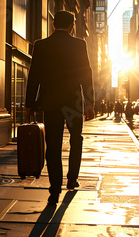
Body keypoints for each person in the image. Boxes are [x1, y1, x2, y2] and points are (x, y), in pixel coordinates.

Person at [25, 10, 94, 205]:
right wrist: (89, 102)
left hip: (51, 103)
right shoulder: (79, 45)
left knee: (53, 146)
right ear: (72, 26)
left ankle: (54, 189)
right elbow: (86, 74)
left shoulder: (41, 45)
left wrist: (29, 104)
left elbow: (34, 77)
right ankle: (72, 180)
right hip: (73, 103)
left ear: (53, 25)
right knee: (76, 139)